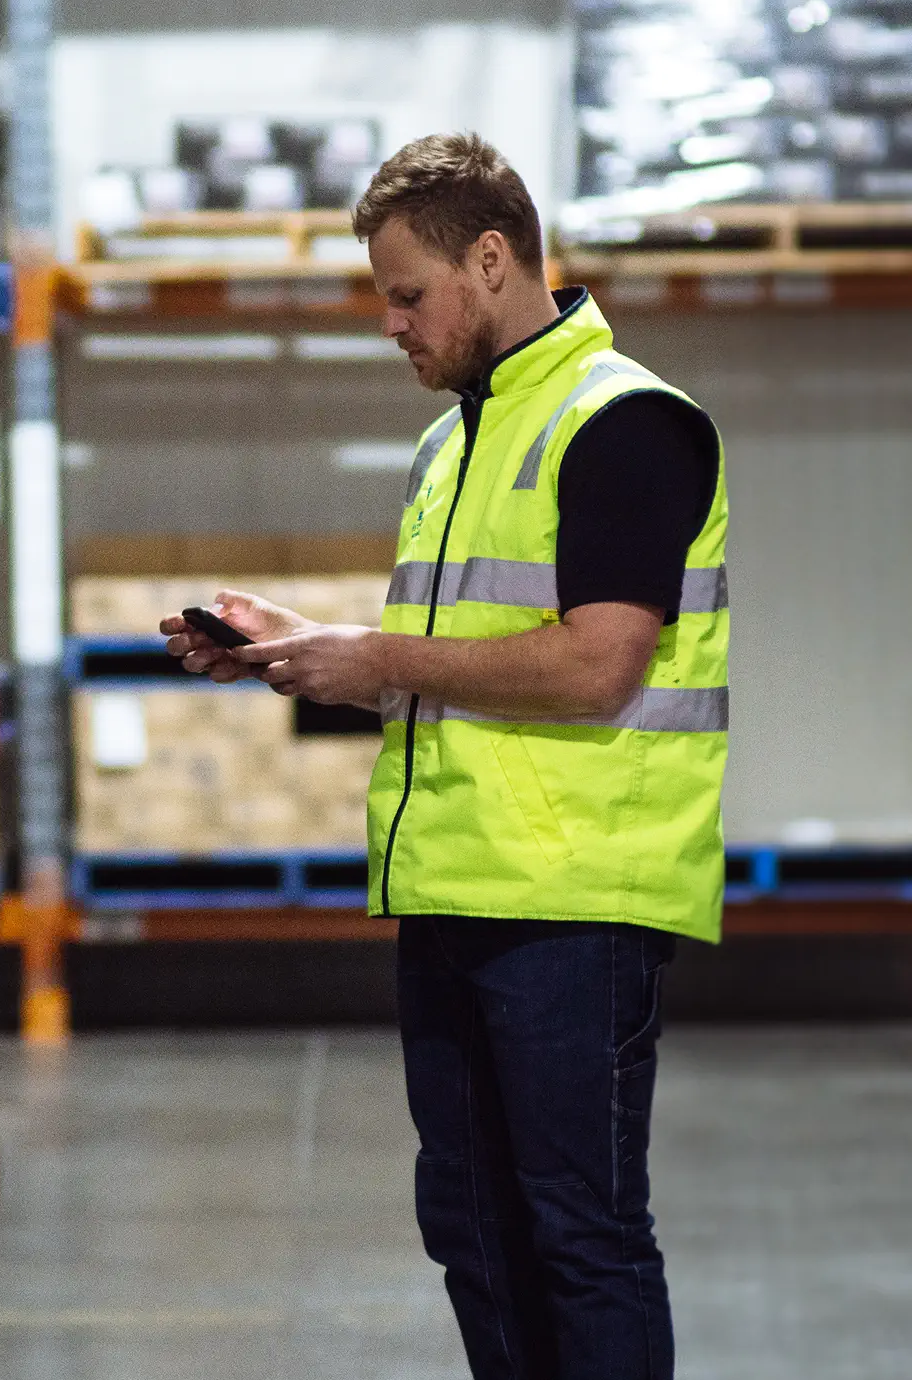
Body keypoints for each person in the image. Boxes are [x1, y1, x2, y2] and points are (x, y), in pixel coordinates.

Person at [161, 132, 728, 1380]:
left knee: (580, 1235)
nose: (389, 324)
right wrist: (299, 649)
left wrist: (374, 657)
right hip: (455, 883)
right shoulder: (450, 445)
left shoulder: (624, 424)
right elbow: (443, 666)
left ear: (489, 260)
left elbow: (595, 666)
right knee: (471, 1227)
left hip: (575, 896)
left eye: (405, 294)